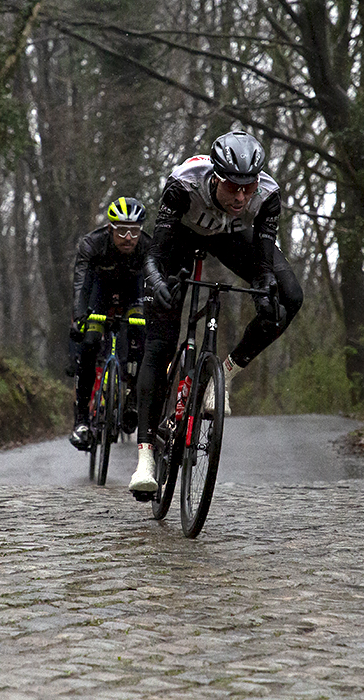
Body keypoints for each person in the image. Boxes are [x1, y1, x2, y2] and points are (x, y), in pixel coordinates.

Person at [128, 130, 304, 493]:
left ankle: (220, 377)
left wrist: (264, 286)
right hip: (179, 240)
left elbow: (264, 255)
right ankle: (145, 459)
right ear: (215, 178)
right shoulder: (184, 185)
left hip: (230, 239)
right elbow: (153, 254)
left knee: (289, 299)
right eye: (232, 187)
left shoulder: (267, 195)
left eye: (248, 187)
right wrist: (157, 283)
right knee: (158, 343)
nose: (241, 197)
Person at [69, 197, 150, 450]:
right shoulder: (92, 244)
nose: (129, 237)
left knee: (141, 339)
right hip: (99, 294)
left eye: (135, 231)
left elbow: (155, 283)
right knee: (90, 343)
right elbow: (81, 283)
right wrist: (79, 315)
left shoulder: (148, 247)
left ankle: (133, 401)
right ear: (110, 228)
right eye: (122, 230)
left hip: (134, 294)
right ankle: (81, 420)